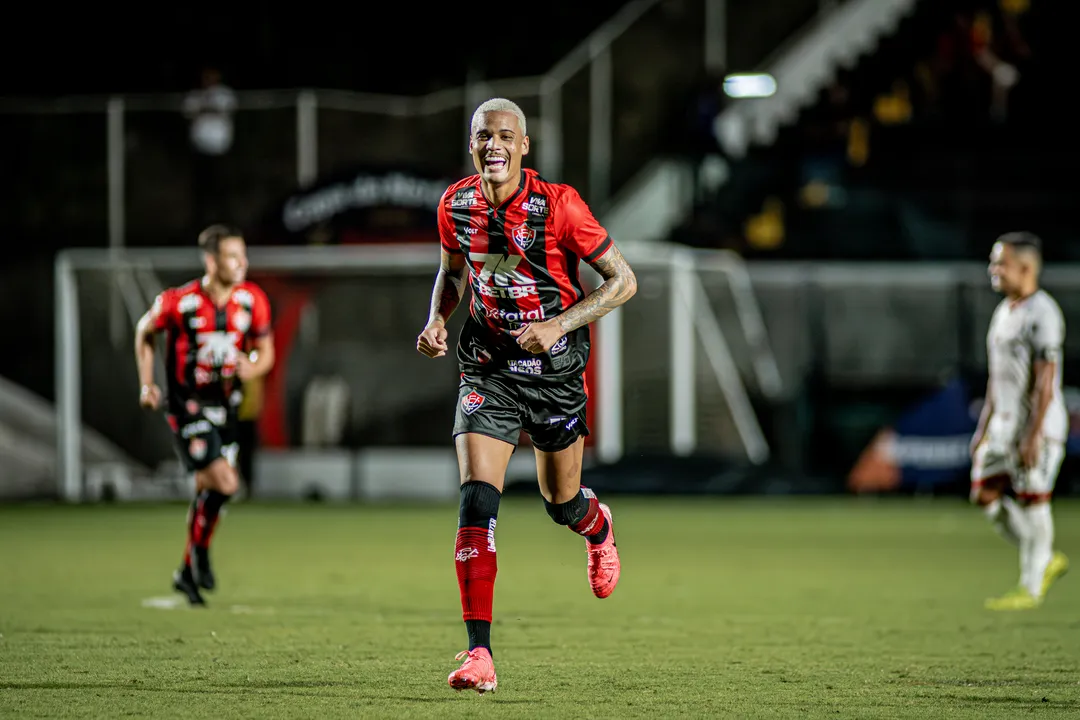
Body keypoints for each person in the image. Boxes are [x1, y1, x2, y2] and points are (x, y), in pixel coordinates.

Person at [416, 98, 638, 693]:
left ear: (523, 146)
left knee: (559, 500)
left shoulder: (560, 206)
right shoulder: (454, 205)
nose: (493, 144)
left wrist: (559, 325)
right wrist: (438, 319)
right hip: (486, 365)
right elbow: (454, 275)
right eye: (483, 135)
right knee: (475, 504)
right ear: (472, 145)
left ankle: (596, 528)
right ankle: (479, 655)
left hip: (555, 369)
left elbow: (623, 280)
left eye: (504, 135)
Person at [134, 225, 274, 606]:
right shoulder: (178, 302)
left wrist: (254, 366)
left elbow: (266, 351)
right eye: (233, 255)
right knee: (227, 483)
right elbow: (144, 331)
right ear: (212, 261)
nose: (242, 262)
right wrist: (148, 384)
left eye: (243, 254)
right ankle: (201, 557)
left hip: (227, 409)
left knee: (209, 492)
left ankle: (185, 572)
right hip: (187, 406)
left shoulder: (252, 300)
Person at [970, 232, 1069, 611]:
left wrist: (1033, 433)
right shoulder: (1004, 311)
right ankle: (1045, 556)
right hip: (1003, 426)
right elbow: (998, 378)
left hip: (1036, 429)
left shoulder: (1043, 312)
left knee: (1032, 502)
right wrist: (983, 427)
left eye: (1001, 263)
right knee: (984, 494)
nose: (993, 270)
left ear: (1026, 267)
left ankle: (1030, 587)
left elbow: (1045, 380)